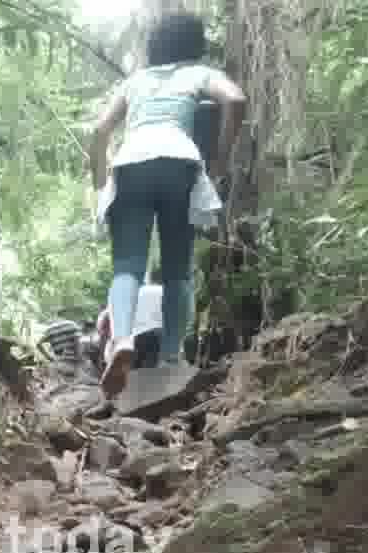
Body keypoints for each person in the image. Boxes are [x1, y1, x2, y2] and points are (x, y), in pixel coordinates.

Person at [86, 11, 244, 401]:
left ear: (154, 45)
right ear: (195, 44)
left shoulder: (135, 81)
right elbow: (236, 100)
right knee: (178, 270)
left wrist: (100, 181)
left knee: (127, 267)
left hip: (131, 164)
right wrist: (221, 160)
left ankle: (122, 339)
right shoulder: (199, 73)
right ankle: (171, 360)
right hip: (180, 162)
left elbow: (98, 131)